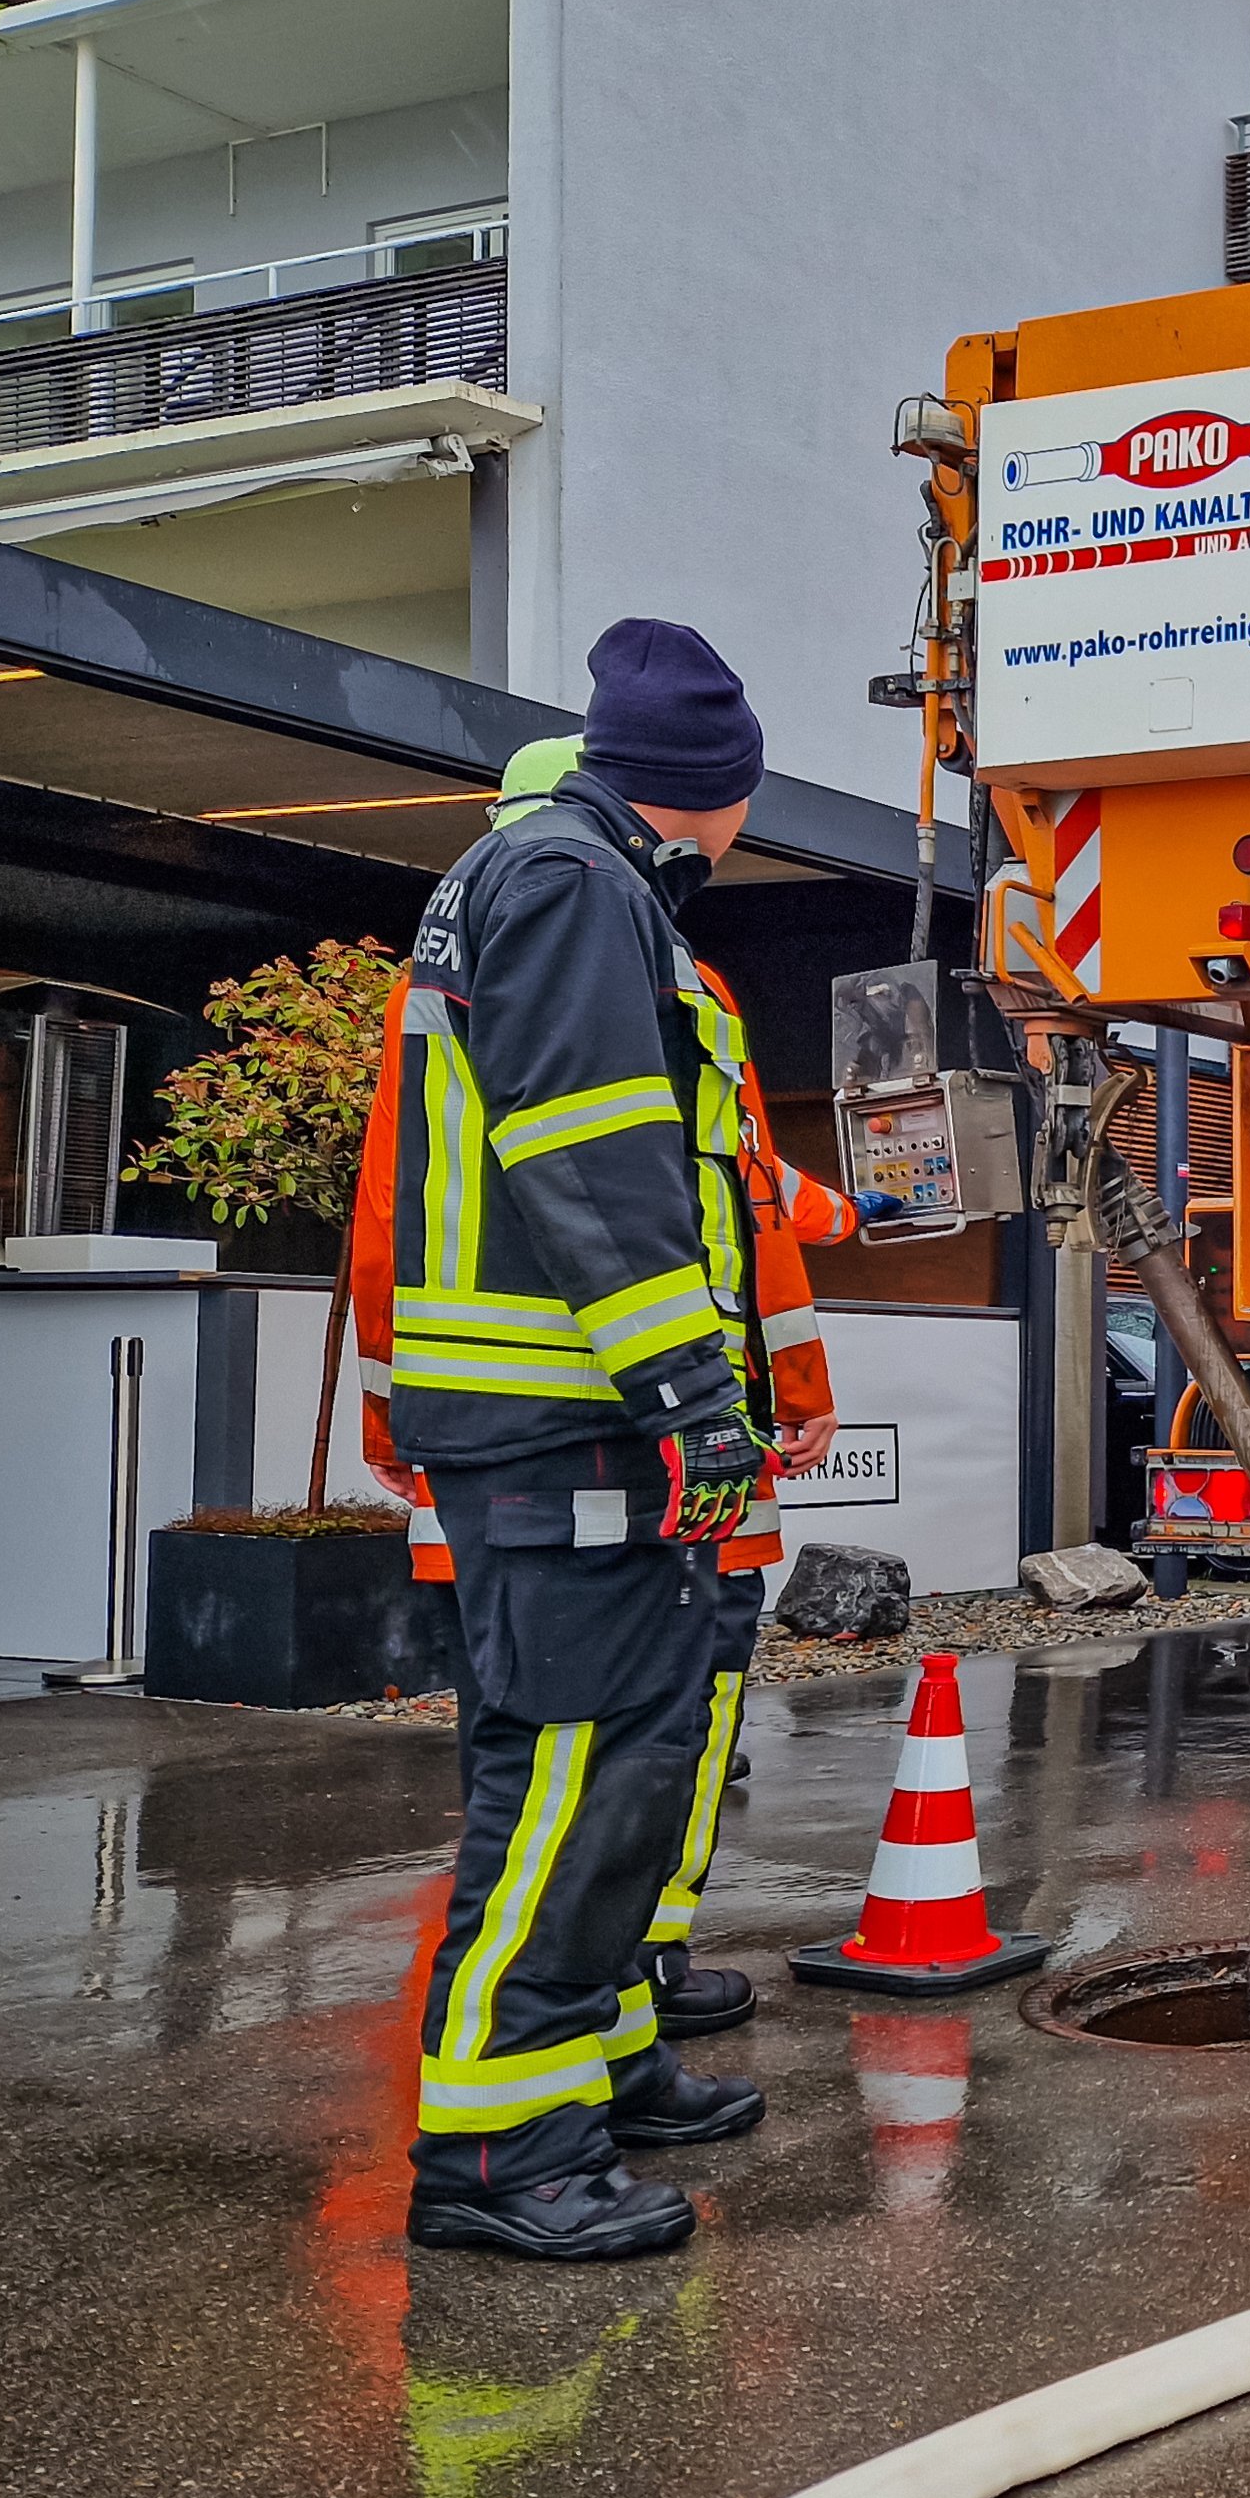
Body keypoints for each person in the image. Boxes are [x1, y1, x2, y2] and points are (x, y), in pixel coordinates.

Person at [353, 736, 889, 2058]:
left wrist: (390, 1410)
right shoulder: (631, 953)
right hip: (620, 1433)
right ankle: (564, 2059)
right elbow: (720, 1207)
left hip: (516, 1427)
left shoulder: (460, 962)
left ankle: (609, 2023)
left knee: (560, 1753)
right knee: (628, 1739)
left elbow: (392, 1219)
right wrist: (765, 1394)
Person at [386, 619, 785, 2263]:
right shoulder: (575, 885)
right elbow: (598, 1171)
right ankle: (499, 2152)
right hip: (566, 1422)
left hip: (553, 1413)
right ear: (720, 793)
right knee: (568, 1775)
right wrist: (689, 1395)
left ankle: (601, 2058)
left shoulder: (553, 875)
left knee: (613, 1755)